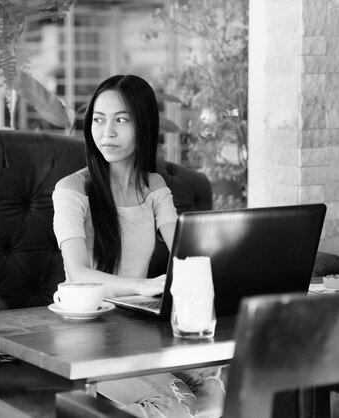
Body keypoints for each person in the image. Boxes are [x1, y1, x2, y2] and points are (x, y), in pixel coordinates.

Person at [52, 74, 225, 417]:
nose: (107, 132)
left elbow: (185, 253)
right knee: (175, 402)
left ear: (143, 125)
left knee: (216, 386)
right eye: (99, 121)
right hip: (88, 331)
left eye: (121, 120)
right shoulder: (72, 189)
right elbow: (78, 273)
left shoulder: (154, 186)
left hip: (139, 327)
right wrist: (142, 285)